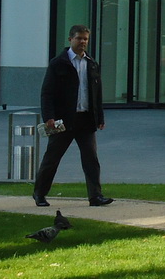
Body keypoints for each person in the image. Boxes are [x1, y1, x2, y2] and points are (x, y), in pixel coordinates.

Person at [32, 25, 113, 207]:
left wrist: (100, 117)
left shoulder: (91, 63)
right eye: (79, 38)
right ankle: (40, 194)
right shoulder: (58, 63)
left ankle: (95, 196)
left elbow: (97, 93)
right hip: (64, 120)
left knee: (91, 159)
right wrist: (49, 117)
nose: (82, 42)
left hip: (86, 120)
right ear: (70, 39)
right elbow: (47, 93)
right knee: (52, 159)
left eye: (85, 39)